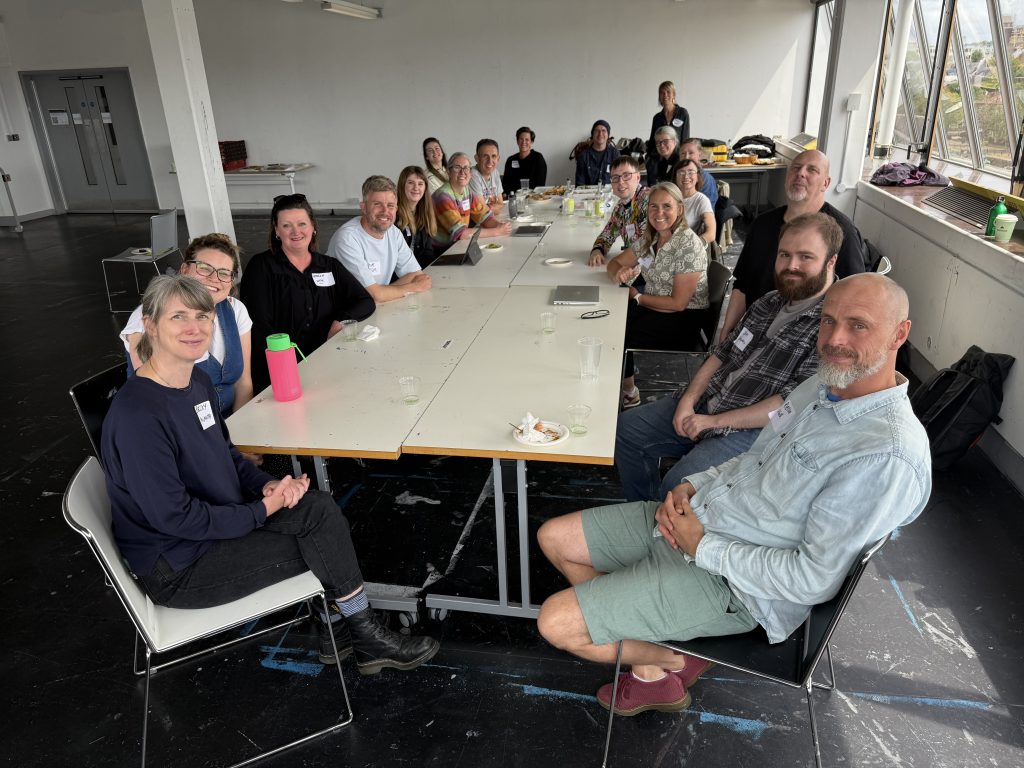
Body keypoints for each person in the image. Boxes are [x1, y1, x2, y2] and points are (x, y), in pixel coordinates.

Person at [536, 273, 930, 716]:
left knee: (556, 623)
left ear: (899, 333)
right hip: (703, 515)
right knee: (554, 538)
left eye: (858, 325)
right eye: (828, 320)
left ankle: (666, 662)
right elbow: (753, 459)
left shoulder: (885, 454)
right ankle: (646, 646)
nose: (834, 338)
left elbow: (813, 580)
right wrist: (693, 484)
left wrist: (702, 546)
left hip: (733, 585)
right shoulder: (819, 388)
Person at [102, 274, 440, 675]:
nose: (194, 327)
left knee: (319, 510)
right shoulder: (139, 415)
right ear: (151, 325)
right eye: (178, 317)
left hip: (214, 526)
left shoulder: (197, 381)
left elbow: (227, 456)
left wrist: (267, 485)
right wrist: (261, 510)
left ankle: (343, 629)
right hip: (180, 565)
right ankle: (360, 633)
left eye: (202, 316)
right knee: (323, 540)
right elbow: (174, 517)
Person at [615, 213, 840, 502]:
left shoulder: (833, 326)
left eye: (805, 257)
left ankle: (662, 519)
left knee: (676, 486)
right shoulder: (769, 301)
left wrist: (713, 422)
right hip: (711, 400)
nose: (791, 265)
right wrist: (688, 401)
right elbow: (721, 355)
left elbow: (791, 404)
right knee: (625, 431)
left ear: (830, 261)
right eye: (784, 254)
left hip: (753, 431)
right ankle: (644, 512)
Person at [720, 149, 868, 341]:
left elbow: (854, 296)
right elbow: (743, 285)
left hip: (804, 340)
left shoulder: (841, 232)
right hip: (755, 329)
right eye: (796, 168)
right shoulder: (762, 224)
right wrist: (727, 329)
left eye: (812, 170)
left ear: (825, 183)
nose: (801, 174)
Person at [240, 194, 375, 394]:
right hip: (281, 374)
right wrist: (290, 367)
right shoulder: (261, 268)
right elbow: (259, 327)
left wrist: (341, 320)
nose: (296, 232)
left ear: (313, 226)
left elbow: (365, 301)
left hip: (327, 365)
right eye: (286, 226)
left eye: (302, 224)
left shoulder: (328, 265)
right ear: (276, 231)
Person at [120, 233, 252, 416]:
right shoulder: (152, 315)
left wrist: (241, 426)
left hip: (228, 421)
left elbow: (243, 383)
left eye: (223, 273)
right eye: (204, 268)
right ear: (184, 269)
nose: (214, 278)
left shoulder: (235, 309)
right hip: (175, 424)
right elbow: (157, 395)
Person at [605, 182, 709, 408]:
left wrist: (637, 297)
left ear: (680, 209)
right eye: (653, 206)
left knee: (617, 333)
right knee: (609, 318)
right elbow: (614, 263)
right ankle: (617, 380)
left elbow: (678, 303)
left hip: (682, 320)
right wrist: (618, 274)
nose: (659, 212)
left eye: (666, 206)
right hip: (654, 306)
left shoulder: (688, 244)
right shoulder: (650, 238)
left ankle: (629, 392)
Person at [328, 175, 432, 303]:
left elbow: (416, 275)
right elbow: (373, 296)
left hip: (375, 307)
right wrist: (411, 288)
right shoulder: (347, 238)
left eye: (390, 205)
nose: (385, 211)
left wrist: (382, 293)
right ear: (363, 207)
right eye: (377, 204)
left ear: (396, 209)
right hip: (344, 310)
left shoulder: (393, 233)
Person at [432, 152, 512, 248]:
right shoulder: (443, 197)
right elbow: (461, 233)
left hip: (458, 244)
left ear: (470, 173)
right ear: (448, 172)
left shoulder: (466, 191)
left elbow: (484, 217)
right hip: (442, 250)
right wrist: (497, 231)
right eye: (457, 167)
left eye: (466, 168)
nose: (462, 172)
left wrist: (498, 225)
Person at [588, 156, 650, 267]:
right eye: (615, 177)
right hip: (634, 265)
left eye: (626, 175)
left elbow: (647, 253)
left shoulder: (650, 202)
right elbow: (607, 234)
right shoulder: (620, 207)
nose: (620, 182)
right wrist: (597, 250)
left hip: (655, 269)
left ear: (638, 177)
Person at [396, 165, 440, 268]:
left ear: (425, 188)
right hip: (401, 274)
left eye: (420, 184)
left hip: (419, 271)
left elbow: (427, 254)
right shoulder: (394, 214)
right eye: (411, 183)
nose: (416, 188)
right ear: (402, 186)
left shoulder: (424, 213)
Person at [671, 158, 715, 245]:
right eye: (681, 172)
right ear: (675, 177)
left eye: (691, 172)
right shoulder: (670, 196)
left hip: (685, 246)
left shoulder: (701, 200)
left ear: (697, 177)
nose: (686, 176)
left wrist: (693, 246)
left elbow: (711, 234)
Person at [647, 80, 689, 164]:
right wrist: (648, 158)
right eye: (662, 93)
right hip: (660, 160)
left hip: (677, 159)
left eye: (668, 92)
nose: (665, 95)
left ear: (674, 95)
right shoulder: (657, 117)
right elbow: (652, 141)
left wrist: (684, 159)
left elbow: (685, 138)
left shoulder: (682, 113)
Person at [502, 126, 547, 195]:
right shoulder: (511, 160)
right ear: (517, 141)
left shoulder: (538, 158)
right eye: (521, 139)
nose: (523, 142)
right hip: (513, 197)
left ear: (531, 142)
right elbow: (505, 184)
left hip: (533, 197)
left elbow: (540, 185)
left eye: (527, 139)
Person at [575, 119, 620, 186]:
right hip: (588, 192)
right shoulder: (583, 156)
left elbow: (619, 178)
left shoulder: (615, 154)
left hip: (609, 192)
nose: (600, 134)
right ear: (592, 134)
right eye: (597, 131)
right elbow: (579, 184)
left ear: (608, 135)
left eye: (603, 130)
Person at [469, 138, 505, 214]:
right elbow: (482, 211)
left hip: (492, 217)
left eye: (493, 156)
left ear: (498, 158)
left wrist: (489, 208)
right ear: (477, 158)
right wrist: (493, 208)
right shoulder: (472, 175)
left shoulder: (495, 172)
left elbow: (501, 204)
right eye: (485, 156)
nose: (490, 161)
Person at [679, 138, 718, 207]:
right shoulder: (677, 174)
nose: (686, 157)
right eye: (683, 153)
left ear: (699, 155)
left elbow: (707, 210)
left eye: (691, 153)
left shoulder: (706, 180)